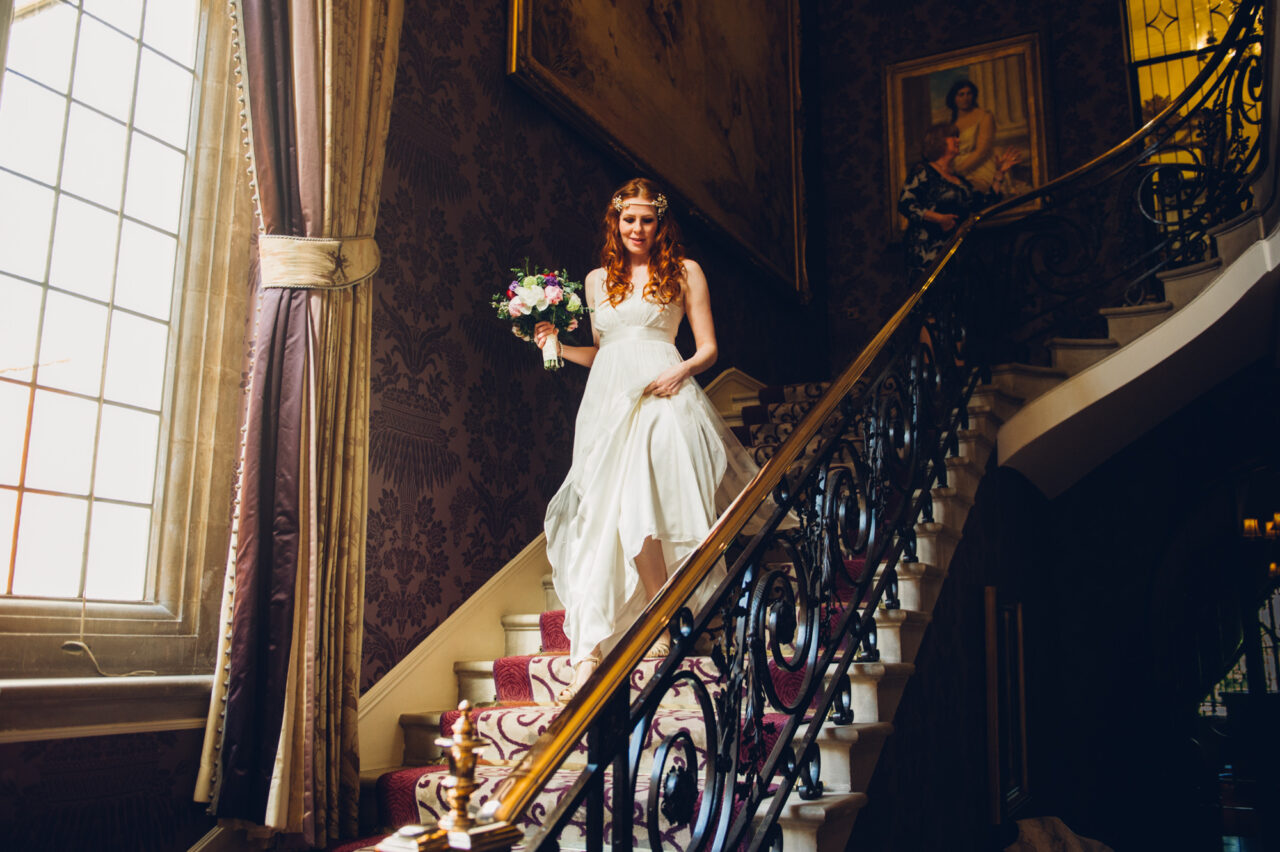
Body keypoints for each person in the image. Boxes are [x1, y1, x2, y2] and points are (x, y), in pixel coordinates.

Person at [534, 178, 758, 703]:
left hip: (662, 393)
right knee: (603, 514)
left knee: (642, 499)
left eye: (647, 219)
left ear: (660, 224)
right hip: (607, 402)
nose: (637, 228)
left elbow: (707, 349)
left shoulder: (684, 272)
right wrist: (557, 347)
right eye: (628, 219)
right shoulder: (595, 281)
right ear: (615, 222)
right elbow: (603, 351)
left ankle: (657, 616)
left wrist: (680, 373)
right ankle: (621, 629)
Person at [898, 120, 1019, 282]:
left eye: (958, 136)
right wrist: (940, 218)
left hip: (956, 253)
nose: (958, 140)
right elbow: (906, 204)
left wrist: (999, 174)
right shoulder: (924, 171)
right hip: (926, 252)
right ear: (938, 141)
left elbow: (983, 202)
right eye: (952, 136)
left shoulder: (960, 181)